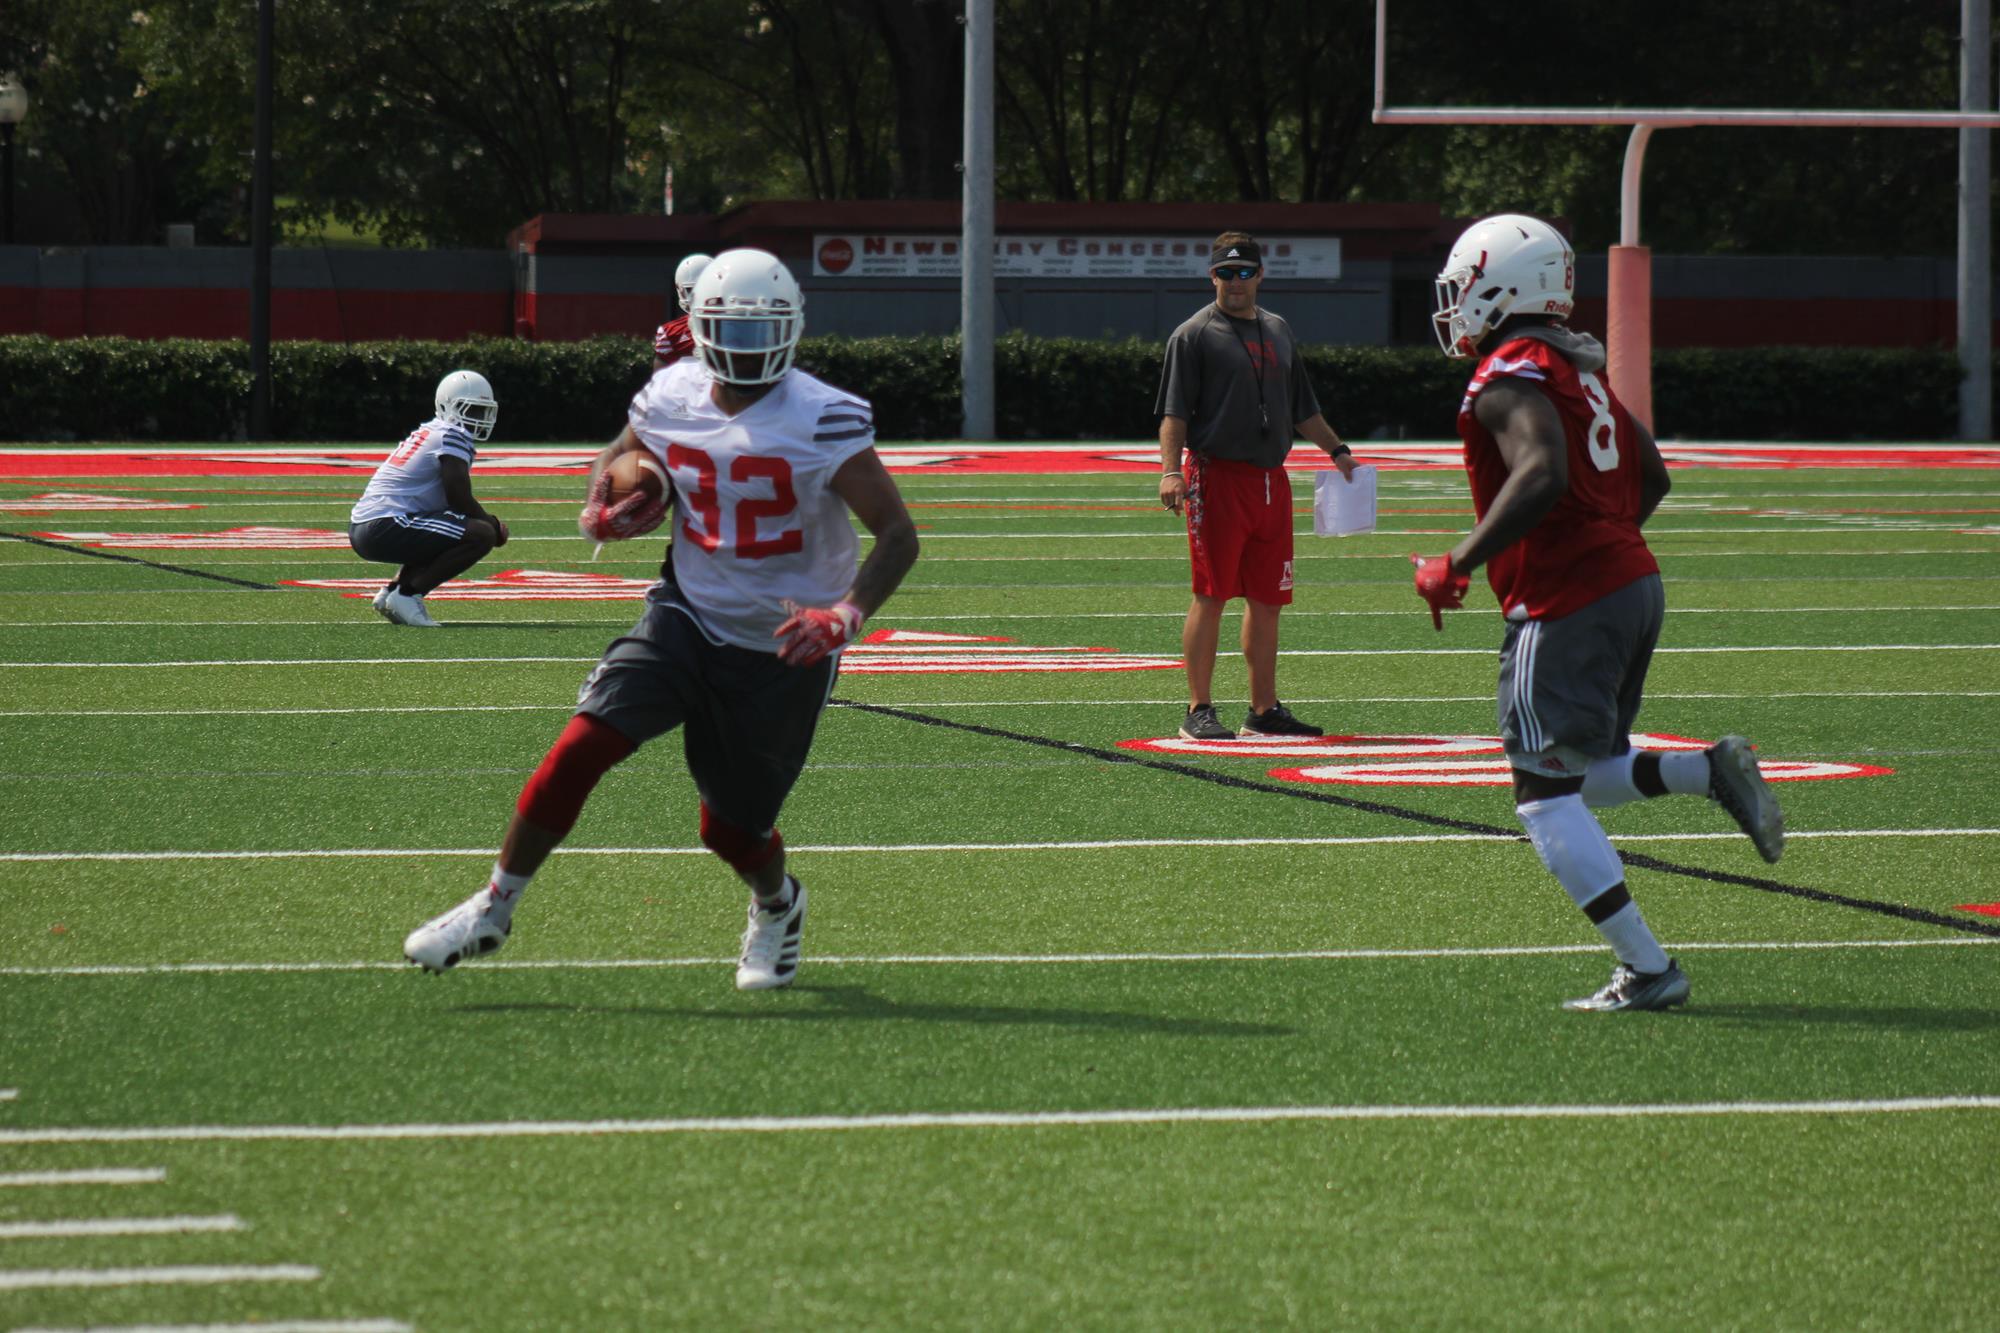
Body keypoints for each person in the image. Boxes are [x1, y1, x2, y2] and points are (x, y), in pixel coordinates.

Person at [404, 248, 919, 992]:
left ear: (793, 329)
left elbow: (897, 533)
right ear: (699, 328)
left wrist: (846, 614)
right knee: (582, 744)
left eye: (759, 332)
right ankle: (494, 903)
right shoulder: (672, 391)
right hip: (684, 612)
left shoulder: (823, 414)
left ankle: (778, 904)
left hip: (783, 645)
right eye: (728, 333)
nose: (744, 350)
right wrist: (601, 502)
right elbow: (625, 452)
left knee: (729, 829)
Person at [1413, 213, 1786, 1013]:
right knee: (1581, 769)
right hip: (1628, 582)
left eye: (1464, 285)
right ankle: (1702, 768)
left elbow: (1542, 470)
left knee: (1543, 796)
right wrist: (1605, 548)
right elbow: (1651, 476)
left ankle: (1648, 969)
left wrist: (1460, 562)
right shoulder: (1574, 366)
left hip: (1570, 597)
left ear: (1499, 283)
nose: (1456, 305)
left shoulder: (1511, 369)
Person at [1154, 230, 1357, 741]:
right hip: (1217, 478)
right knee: (1211, 593)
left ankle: (1263, 710)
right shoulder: (1193, 334)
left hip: (1272, 480)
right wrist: (1170, 469)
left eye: (1245, 272)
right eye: (1226, 272)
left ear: (1261, 275)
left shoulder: (1279, 330)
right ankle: (1198, 707)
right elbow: (1174, 412)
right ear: (1212, 276)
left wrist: (1337, 450)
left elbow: (1302, 408)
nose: (1236, 282)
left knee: (1269, 598)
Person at [348, 369, 509, 628]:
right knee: (480, 534)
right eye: (469, 410)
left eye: (481, 411)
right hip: (384, 524)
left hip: (369, 524)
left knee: (448, 529)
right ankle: (409, 595)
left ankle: (393, 591)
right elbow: (457, 495)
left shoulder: (431, 431)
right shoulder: (451, 434)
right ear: (447, 406)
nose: (477, 418)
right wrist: (491, 523)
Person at [652, 252, 712, 371]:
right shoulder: (672, 333)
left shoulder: (732, 327)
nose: (699, 295)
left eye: (705, 288)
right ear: (680, 290)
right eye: (692, 290)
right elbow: (661, 383)